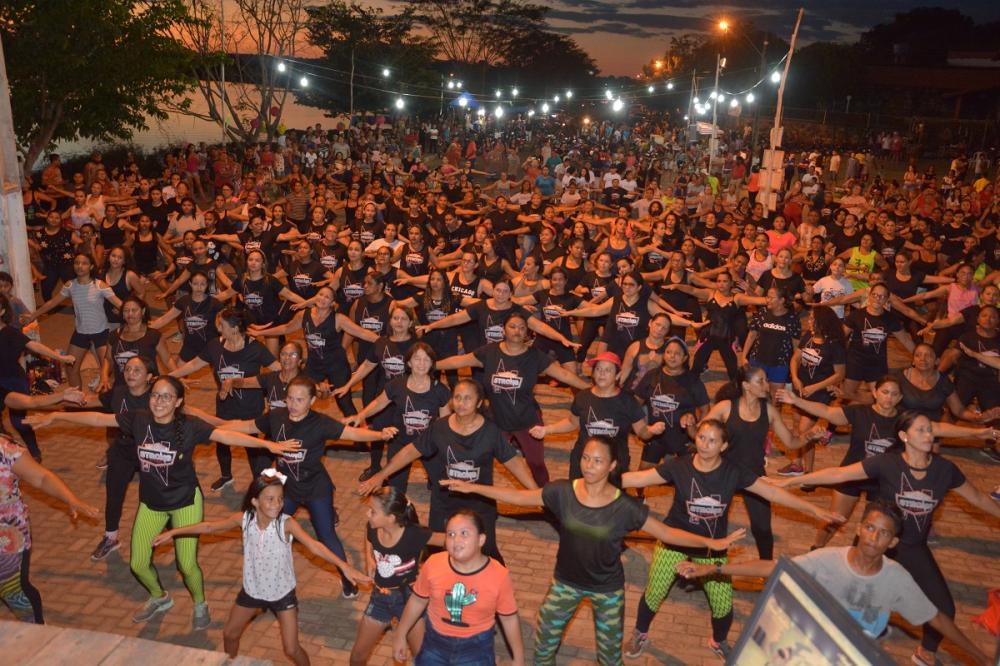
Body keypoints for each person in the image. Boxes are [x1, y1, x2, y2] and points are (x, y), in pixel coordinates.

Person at [444, 435, 747, 665]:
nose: (589, 466)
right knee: (544, 644)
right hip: (565, 583)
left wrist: (711, 543)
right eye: (586, 458)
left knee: (609, 656)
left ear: (613, 465)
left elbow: (667, 532)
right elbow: (520, 497)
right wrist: (475, 488)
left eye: (598, 461)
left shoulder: (625, 507)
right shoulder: (563, 491)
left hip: (607, 591)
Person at [25, 376, 298, 629]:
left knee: (186, 564)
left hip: (185, 502)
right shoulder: (139, 420)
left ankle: (200, 603)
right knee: (138, 564)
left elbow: (224, 435)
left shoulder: (190, 426)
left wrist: (268, 446)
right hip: (151, 504)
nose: (159, 401)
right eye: (155, 395)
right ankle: (160, 596)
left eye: (167, 397)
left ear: (178, 401)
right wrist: (56, 415)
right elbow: (99, 419)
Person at [776, 412, 1000, 666]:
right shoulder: (886, 463)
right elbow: (839, 475)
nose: (929, 435)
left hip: (913, 547)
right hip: (874, 545)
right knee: (844, 598)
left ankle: (926, 652)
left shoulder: (944, 470)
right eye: (922, 430)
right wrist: (788, 484)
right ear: (904, 436)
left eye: (930, 430)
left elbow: (980, 499)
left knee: (944, 609)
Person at [621, 420, 844, 659]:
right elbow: (637, 479)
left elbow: (772, 493)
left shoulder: (734, 472)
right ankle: (640, 632)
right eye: (702, 438)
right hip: (675, 539)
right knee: (655, 591)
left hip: (713, 548)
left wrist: (814, 510)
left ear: (724, 446)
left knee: (722, 604)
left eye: (713, 440)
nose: (705, 444)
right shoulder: (679, 466)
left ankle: (718, 641)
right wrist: (592, 482)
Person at [675, 500, 993, 666]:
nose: (873, 536)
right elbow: (773, 567)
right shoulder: (827, 560)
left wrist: (979, 657)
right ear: (859, 528)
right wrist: (712, 570)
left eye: (883, 533)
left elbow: (936, 618)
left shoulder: (897, 579)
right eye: (869, 527)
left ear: (893, 542)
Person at [150, 470, 370, 666]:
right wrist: (173, 532)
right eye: (270, 499)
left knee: (291, 649)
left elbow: (314, 546)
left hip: (282, 594)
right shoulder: (244, 519)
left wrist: (344, 566)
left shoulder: (286, 523)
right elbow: (209, 526)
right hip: (252, 591)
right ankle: (232, 661)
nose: (277, 504)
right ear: (255, 501)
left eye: (281, 499)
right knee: (230, 634)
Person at [217, 376, 397, 597]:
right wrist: (215, 427)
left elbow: (351, 433)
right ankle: (268, 574)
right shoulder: (276, 417)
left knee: (327, 536)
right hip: (288, 489)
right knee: (271, 527)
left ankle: (347, 578)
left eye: (299, 400)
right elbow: (247, 426)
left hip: (316, 489)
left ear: (312, 401)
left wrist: (380, 435)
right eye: (290, 398)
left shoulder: (320, 423)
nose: (293, 404)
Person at [358, 379, 538, 562]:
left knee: (486, 550)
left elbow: (514, 462)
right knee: (437, 553)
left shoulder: (491, 432)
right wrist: (381, 474)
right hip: (444, 501)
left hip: (480, 504)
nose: (461, 403)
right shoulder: (439, 427)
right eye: (457, 397)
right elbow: (409, 452)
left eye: (468, 398)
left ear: (479, 402)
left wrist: (536, 493)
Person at [436, 315, 590, 485]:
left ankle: (545, 498)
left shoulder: (535, 356)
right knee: (483, 459)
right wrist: (432, 366)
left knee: (536, 463)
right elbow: (460, 360)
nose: (517, 331)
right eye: (512, 326)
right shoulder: (490, 352)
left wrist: (590, 389)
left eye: (522, 327)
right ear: (504, 330)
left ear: (527, 333)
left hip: (527, 421)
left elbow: (564, 374)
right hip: (497, 421)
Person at [701, 365, 814, 559]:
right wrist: (687, 425)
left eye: (766, 380)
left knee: (762, 528)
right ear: (746, 385)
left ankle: (766, 569)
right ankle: (705, 568)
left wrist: (811, 436)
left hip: (754, 475)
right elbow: (700, 432)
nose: (766, 385)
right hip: (724, 473)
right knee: (712, 526)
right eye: (760, 381)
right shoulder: (726, 407)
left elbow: (791, 442)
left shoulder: (768, 411)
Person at [392, 509, 525, 666]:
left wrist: (519, 658)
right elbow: (417, 600)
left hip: (476, 650)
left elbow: (509, 618)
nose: (456, 540)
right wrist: (401, 634)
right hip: (434, 645)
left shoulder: (499, 575)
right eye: (451, 534)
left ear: (481, 540)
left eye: (464, 533)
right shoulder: (434, 564)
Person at [170, 308, 281, 489]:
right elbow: (195, 364)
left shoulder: (255, 348)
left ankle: (259, 482)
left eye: (221, 325)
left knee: (251, 444)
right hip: (225, 404)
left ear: (235, 328)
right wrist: (171, 376)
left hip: (250, 407)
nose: (218, 328)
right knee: (221, 439)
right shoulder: (215, 345)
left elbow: (278, 370)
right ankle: (226, 476)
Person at [0, 428, 98, 623]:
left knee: (13, 589)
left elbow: (42, 477)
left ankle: (35, 630)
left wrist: (71, 499)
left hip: (7, 536)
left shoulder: (5, 450)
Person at [350, 486, 445, 666]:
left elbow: (447, 540)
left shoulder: (413, 534)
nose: (367, 514)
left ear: (391, 518)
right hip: (379, 599)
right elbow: (368, 535)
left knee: (423, 659)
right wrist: (369, 558)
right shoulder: (373, 526)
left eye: (373, 511)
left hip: (409, 602)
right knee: (357, 658)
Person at [532, 351, 660, 482]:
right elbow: (572, 422)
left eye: (608, 370)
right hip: (583, 461)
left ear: (618, 375)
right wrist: (547, 429)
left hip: (613, 464)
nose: (602, 373)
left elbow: (642, 432)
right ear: (593, 373)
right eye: (598, 369)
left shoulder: (628, 402)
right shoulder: (583, 397)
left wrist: (651, 430)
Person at [347, 343, 451, 492]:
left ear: (432, 364)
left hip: (428, 443)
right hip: (400, 442)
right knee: (395, 489)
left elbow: (445, 423)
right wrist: (361, 415)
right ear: (408, 362)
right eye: (417, 359)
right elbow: (379, 402)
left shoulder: (440, 390)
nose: (421, 363)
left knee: (442, 485)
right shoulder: (397, 384)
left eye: (426, 359)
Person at [21, 252, 123, 388]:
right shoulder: (70, 285)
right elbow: (52, 303)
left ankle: (107, 400)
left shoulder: (100, 285)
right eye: (77, 263)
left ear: (91, 266)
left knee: (107, 369)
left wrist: (136, 316)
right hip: (80, 333)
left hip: (101, 333)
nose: (80, 266)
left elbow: (121, 304)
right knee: (70, 368)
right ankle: (77, 401)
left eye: (84, 263)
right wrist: (33, 316)